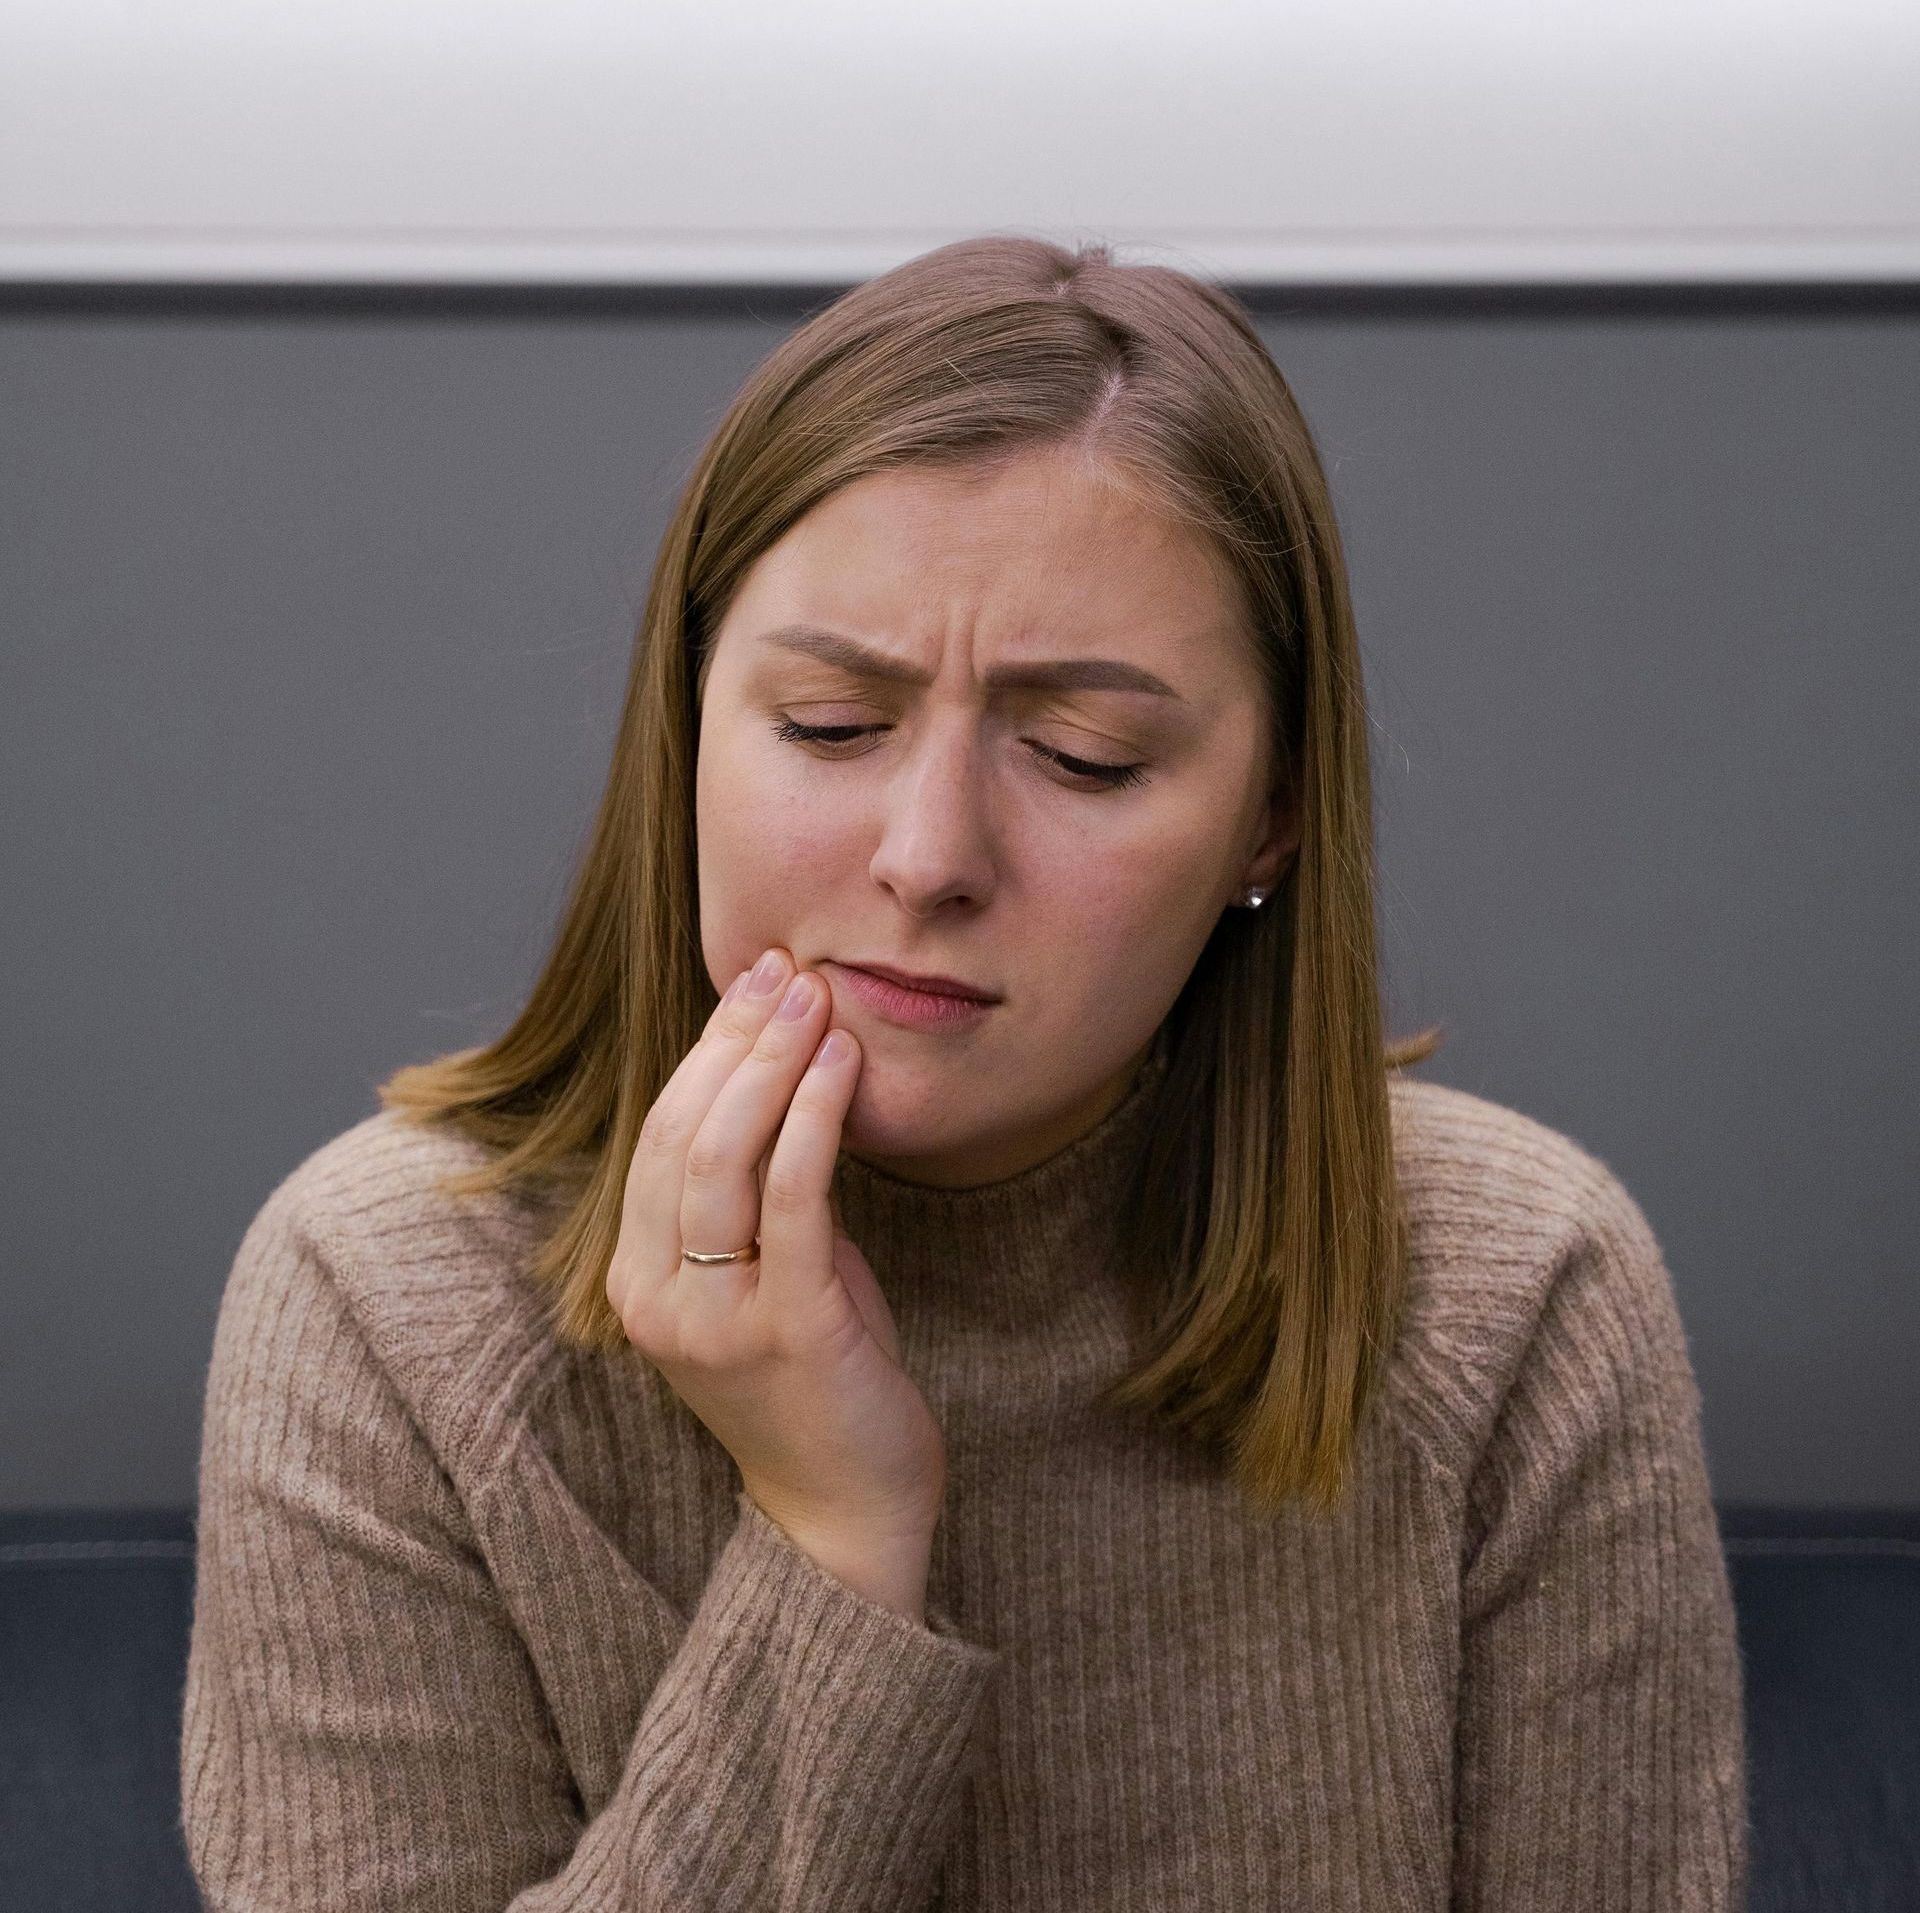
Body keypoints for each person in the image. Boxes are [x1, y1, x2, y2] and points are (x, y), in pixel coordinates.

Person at [179, 235, 1749, 1909]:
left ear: (1271, 819)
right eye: (831, 728)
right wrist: (830, 1540)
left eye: (1085, 755)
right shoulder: (377, 1307)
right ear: (688, 729)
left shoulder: (1521, 1292)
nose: (928, 857)